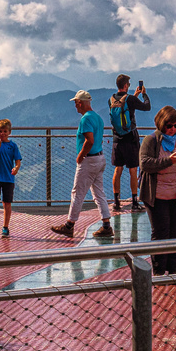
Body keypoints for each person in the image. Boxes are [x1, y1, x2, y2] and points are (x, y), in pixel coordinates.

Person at [138, 106, 176, 274]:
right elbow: (145, 164)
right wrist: (169, 161)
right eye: (169, 125)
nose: (172, 129)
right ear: (161, 124)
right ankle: (158, 272)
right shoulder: (150, 141)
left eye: (175, 125)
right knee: (160, 233)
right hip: (156, 196)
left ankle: (173, 272)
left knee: (175, 235)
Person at [49, 90, 114, 239]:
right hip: (100, 158)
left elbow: (89, 140)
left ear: (79, 102)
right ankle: (106, 226)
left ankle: (69, 225)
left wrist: (80, 155)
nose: (75, 107)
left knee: (77, 193)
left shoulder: (85, 119)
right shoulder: (98, 118)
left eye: (75, 103)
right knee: (99, 193)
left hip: (89, 160)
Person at [105, 74, 151, 213]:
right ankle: (135, 202)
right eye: (129, 84)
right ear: (126, 85)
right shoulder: (130, 99)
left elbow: (125, 108)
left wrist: (134, 95)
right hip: (130, 139)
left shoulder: (111, 100)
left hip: (117, 139)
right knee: (133, 170)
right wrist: (144, 95)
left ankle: (116, 201)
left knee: (117, 170)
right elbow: (146, 107)